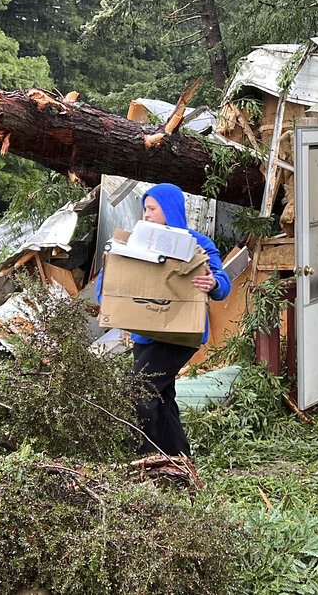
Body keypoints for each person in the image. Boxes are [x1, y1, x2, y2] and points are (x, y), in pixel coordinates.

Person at [97, 183, 230, 457]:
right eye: (145, 209)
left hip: (180, 334)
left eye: (152, 209)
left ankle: (148, 457)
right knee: (162, 396)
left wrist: (213, 281)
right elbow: (109, 278)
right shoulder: (135, 241)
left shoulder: (198, 243)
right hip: (145, 333)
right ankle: (178, 457)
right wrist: (110, 298)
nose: (146, 215)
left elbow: (223, 285)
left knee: (138, 391)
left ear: (169, 210)